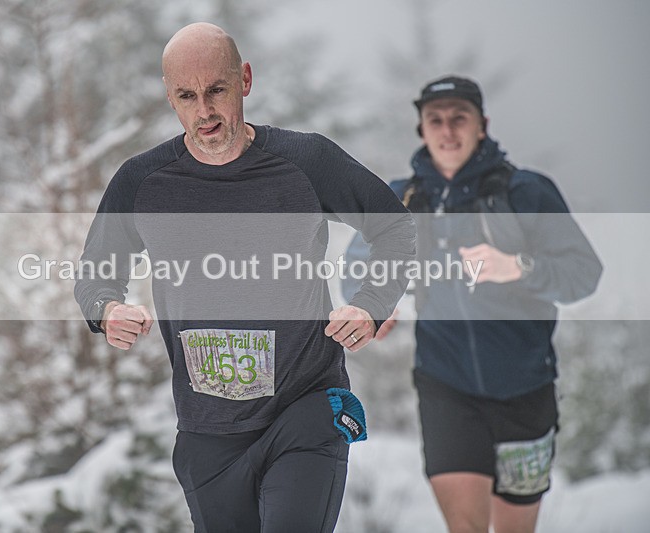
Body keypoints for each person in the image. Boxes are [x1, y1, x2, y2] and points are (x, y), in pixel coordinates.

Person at [74, 23, 416, 532]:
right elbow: (94, 272)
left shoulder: (306, 162)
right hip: (207, 433)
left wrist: (371, 304)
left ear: (245, 80)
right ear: (170, 97)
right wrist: (107, 310)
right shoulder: (143, 182)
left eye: (216, 90)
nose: (204, 111)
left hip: (303, 411)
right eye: (187, 96)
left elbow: (393, 227)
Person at [343, 75, 602, 532]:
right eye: (435, 120)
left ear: (482, 124)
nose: (447, 130)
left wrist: (518, 266)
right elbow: (356, 269)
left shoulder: (525, 192)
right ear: (422, 129)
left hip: (526, 388)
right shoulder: (402, 199)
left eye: (459, 118)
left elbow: (583, 273)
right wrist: (373, 305)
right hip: (446, 386)